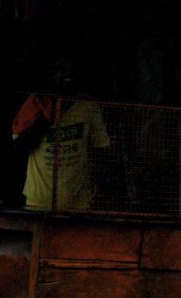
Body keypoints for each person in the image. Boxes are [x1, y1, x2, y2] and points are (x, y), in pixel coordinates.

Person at [11, 61, 111, 211]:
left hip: (78, 200)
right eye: (60, 72)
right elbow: (18, 146)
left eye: (70, 73)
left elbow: (101, 146)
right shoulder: (37, 103)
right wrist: (45, 119)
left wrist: (96, 181)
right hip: (39, 201)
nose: (65, 78)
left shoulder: (88, 106)